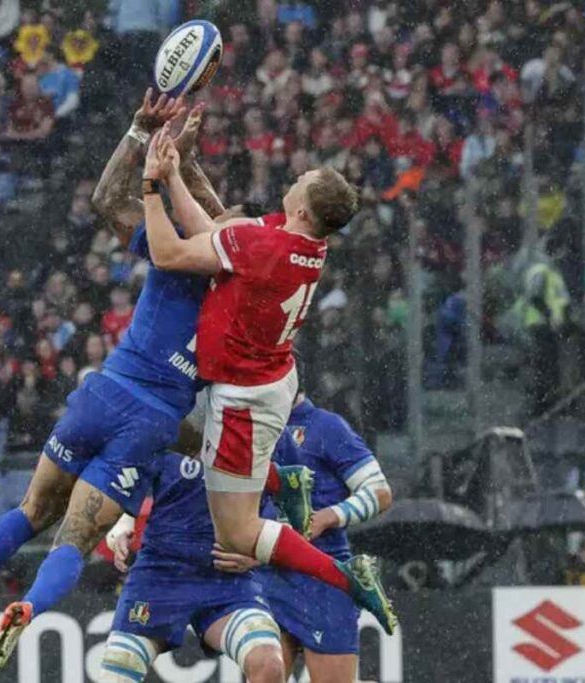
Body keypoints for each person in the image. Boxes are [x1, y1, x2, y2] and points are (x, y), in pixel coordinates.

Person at [0, 92, 308, 674]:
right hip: (150, 419)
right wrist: (185, 166)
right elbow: (230, 236)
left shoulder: (174, 252)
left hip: (103, 391)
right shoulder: (245, 304)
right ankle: (27, 606)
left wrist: (143, 137)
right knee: (72, 538)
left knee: (31, 509)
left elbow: (109, 201)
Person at [139, 124, 396, 633]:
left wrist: (151, 186)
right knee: (165, 427)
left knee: (237, 536)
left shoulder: (263, 246)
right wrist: (174, 178)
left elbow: (170, 252)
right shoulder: (297, 239)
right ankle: (284, 479)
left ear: (303, 209)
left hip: (243, 399)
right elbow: (212, 237)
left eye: (305, 177)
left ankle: (349, 576)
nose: (297, 174)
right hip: (266, 378)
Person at [218, 386, 394, 682]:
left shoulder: (327, 426)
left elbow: (380, 492)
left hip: (323, 582)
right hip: (265, 578)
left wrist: (328, 517)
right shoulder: (251, 430)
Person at [101, 444, 294, 683]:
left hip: (228, 579)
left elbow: (295, 512)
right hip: (159, 574)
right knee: (116, 674)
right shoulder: (169, 424)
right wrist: (120, 530)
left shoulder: (266, 428)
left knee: (269, 665)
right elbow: (126, 486)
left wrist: (260, 553)